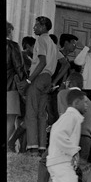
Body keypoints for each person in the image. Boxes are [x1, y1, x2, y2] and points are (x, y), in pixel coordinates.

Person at [26, 73, 91, 182]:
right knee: (73, 175)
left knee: (44, 162)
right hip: (87, 140)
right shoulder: (89, 101)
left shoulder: (64, 93)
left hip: (70, 138)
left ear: (68, 82)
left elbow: (65, 116)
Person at [24, 15, 58, 154]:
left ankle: (32, 147)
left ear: (43, 27)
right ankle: (42, 147)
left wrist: (29, 80)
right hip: (48, 78)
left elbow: (42, 61)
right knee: (42, 114)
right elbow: (64, 64)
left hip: (39, 77)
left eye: (37, 25)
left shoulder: (40, 40)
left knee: (31, 112)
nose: (34, 27)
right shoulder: (52, 43)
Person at [7, 22, 26, 148]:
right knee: (10, 119)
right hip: (10, 86)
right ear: (9, 31)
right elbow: (19, 67)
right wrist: (25, 82)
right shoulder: (12, 46)